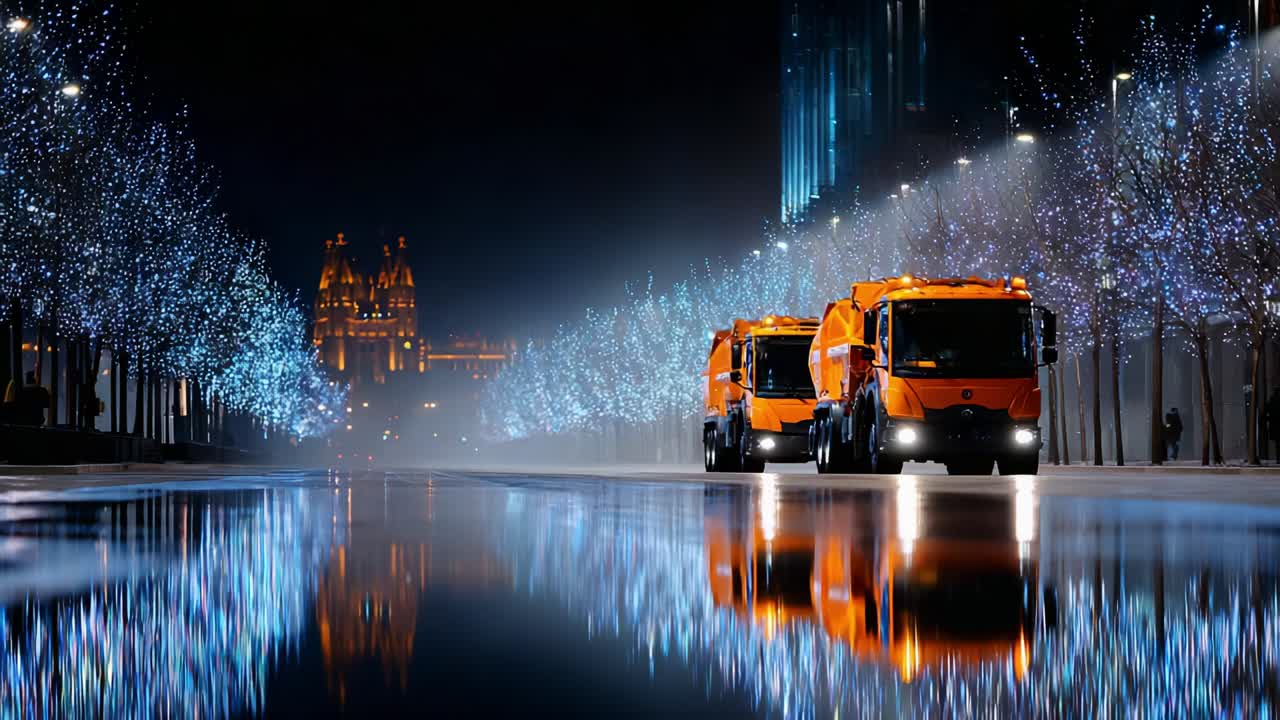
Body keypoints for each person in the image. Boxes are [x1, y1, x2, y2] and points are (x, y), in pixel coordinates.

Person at [1267, 388, 1280, 462]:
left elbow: (1265, 413)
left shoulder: (1272, 401)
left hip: (1275, 425)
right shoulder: (1272, 402)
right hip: (1275, 425)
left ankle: (1278, 458)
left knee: (1278, 444)